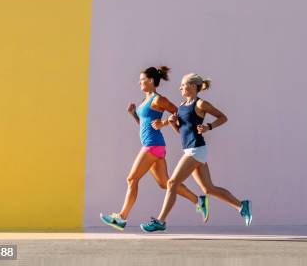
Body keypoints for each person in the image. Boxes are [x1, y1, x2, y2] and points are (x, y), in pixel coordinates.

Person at [140, 73, 251, 232]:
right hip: (191, 149)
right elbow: (182, 132)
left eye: (183, 85)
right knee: (208, 189)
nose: (180, 87)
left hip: (196, 150)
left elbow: (222, 117)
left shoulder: (201, 104)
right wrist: (170, 124)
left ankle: (161, 221)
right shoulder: (182, 105)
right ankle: (242, 206)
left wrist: (209, 127)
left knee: (172, 183)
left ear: (193, 86)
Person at [100, 67, 208, 230]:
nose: (139, 82)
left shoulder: (158, 99)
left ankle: (122, 218)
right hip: (152, 145)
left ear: (151, 81)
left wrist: (164, 123)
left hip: (153, 145)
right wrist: (134, 115)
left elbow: (180, 113)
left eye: (142, 80)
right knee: (166, 184)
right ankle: (199, 201)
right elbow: (145, 126)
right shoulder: (145, 101)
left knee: (132, 179)